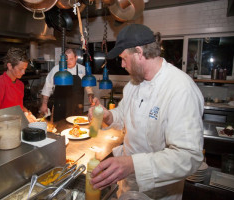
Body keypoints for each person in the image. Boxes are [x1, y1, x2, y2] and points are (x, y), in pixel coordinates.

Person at [88, 24, 204, 200]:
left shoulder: (180, 89)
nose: (122, 64)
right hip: (128, 182)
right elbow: (124, 114)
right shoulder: (133, 84)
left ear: (139, 52)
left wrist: (133, 164)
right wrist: (109, 116)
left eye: (124, 58)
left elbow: (188, 157)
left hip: (159, 190)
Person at [40, 48, 94, 121]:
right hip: (60, 107)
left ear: (76, 58)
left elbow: (88, 86)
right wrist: (44, 104)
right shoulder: (56, 69)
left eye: (71, 59)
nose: (68, 62)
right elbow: (48, 87)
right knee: (58, 128)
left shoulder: (82, 69)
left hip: (76, 107)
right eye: (66, 59)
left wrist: (90, 95)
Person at [0, 47, 35, 121]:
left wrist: (28, 113)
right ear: (10, 66)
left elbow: (19, 106)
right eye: (20, 69)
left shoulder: (20, 84)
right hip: (3, 127)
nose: (23, 72)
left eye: (25, 69)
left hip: (16, 125)